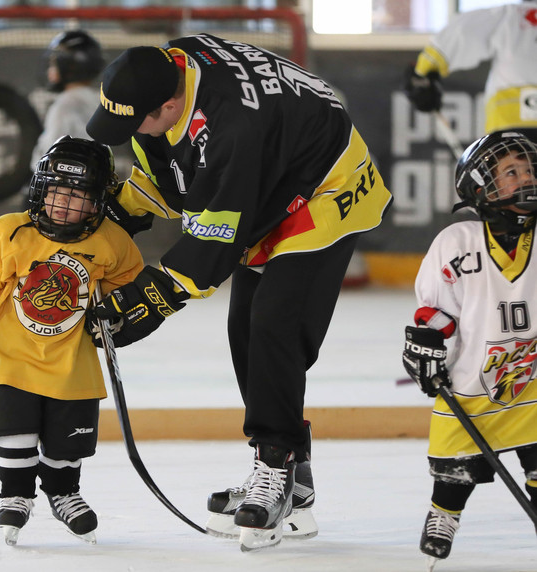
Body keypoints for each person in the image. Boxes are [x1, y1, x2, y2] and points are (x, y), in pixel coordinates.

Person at [83, 36, 393, 550]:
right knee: (244, 329)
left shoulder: (233, 129)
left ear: (171, 104)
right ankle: (297, 482)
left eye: (136, 119)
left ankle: (277, 464)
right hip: (274, 175)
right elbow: (176, 169)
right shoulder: (170, 66)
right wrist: (121, 212)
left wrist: (150, 298)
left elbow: (213, 239)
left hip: (325, 187)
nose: (128, 131)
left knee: (275, 324)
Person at [0, 136, 144, 546]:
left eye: (77, 195)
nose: (63, 203)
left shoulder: (113, 242)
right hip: (10, 358)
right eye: (57, 191)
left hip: (71, 364)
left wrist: (117, 316)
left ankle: (63, 492)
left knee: (67, 446)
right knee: (17, 435)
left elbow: (125, 288)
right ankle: (16, 495)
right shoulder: (8, 233)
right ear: (41, 188)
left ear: (97, 202)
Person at [402, 132, 537, 567]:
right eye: (510, 172)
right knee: (454, 467)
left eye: (528, 169)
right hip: (473, 379)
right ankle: (445, 513)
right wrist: (426, 345)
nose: (525, 178)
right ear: (481, 186)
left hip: (532, 379)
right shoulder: (458, 241)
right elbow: (436, 312)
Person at [403, 1, 537, 142]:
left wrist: (422, 72)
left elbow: (461, 33)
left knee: (510, 160)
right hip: (509, 128)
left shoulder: (512, 15)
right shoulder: (511, 16)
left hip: (509, 131)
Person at [29, 30, 105, 173]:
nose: (50, 69)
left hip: (64, 185)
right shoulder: (98, 100)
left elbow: (47, 156)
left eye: (54, 62)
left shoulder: (65, 105)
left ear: (68, 65)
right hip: (91, 181)